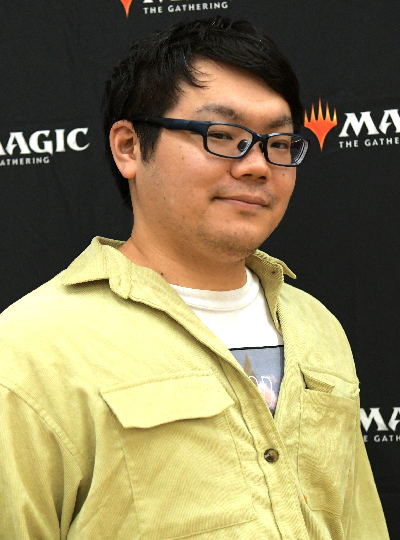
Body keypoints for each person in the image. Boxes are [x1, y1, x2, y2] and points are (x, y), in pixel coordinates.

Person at [0, 16, 389, 540]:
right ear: (129, 147)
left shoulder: (317, 327)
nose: (257, 165)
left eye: (278, 143)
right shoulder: (31, 348)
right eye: (222, 136)